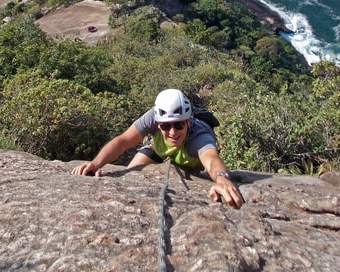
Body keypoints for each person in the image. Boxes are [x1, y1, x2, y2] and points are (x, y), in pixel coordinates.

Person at [71, 89, 244, 209]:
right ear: (158, 123)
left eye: (179, 125)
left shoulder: (199, 136)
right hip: (157, 151)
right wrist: (96, 163)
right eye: (166, 127)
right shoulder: (152, 118)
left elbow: (212, 159)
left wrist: (222, 179)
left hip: (188, 163)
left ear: (188, 122)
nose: (173, 132)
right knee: (130, 176)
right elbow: (123, 141)